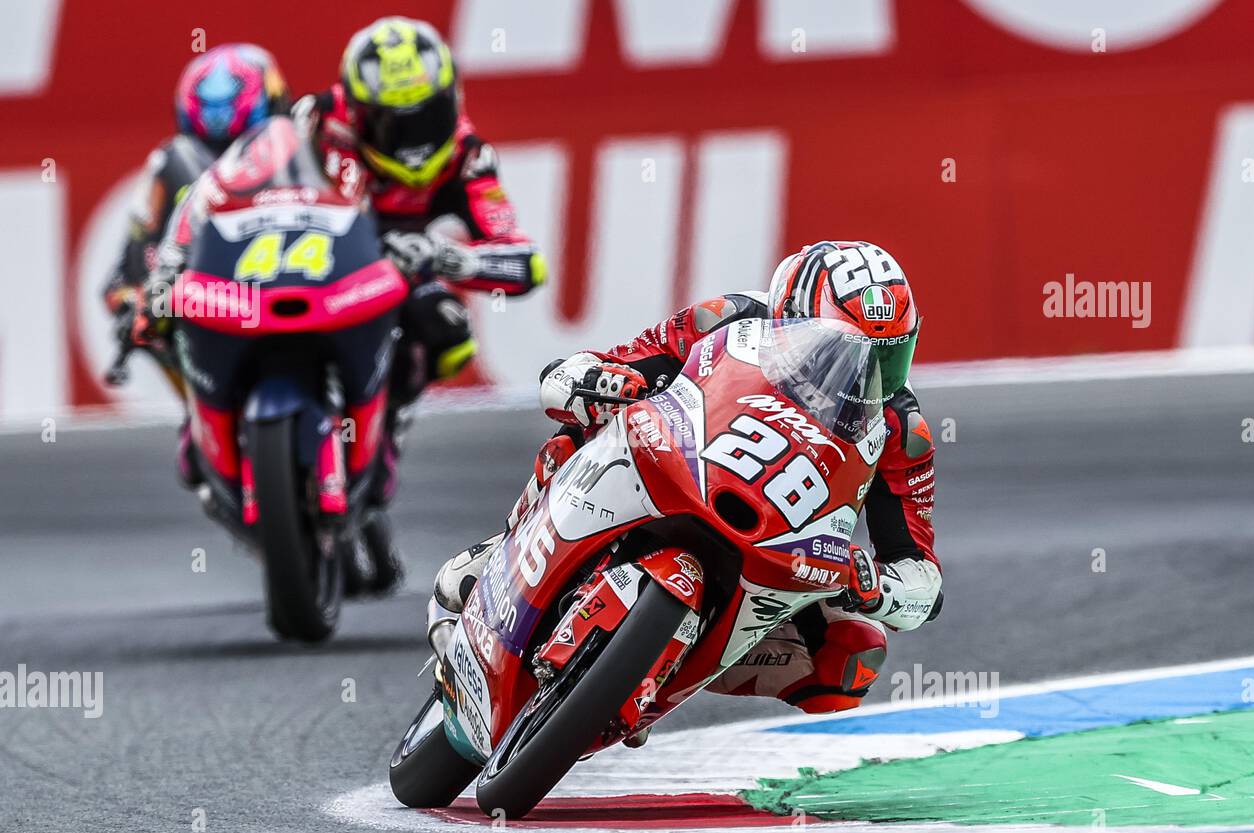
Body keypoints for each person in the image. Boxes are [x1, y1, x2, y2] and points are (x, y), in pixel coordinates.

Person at [430, 241, 942, 719]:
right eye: (844, 351)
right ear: (792, 318)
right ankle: (505, 555)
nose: (865, 373)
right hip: (673, 463)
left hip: (778, 549)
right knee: (579, 429)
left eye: (888, 356)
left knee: (853, 653)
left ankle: (654, 671)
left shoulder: (902, 429)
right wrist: (596, 382)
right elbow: (587, 369)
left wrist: (879, 589)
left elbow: (922, 577)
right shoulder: (727, 320)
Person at [293, 15, 546, 505]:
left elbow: (526, 262)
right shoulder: (316, 122)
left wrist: (451, 259)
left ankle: (388, 422)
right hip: (309, 263)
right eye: (392, 123)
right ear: (359, 112)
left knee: (449, 333)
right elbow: (254, 175)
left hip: (397, 274)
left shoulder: (467, 155)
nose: (411, 143)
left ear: (451, 101)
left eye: (424, 118)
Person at [103, 43, 291, 399]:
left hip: (296, 293)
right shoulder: (172, 162)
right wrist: (144, 298)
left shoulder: (302, 149)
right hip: (210, 312)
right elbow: (123, 278)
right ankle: (203, 420)